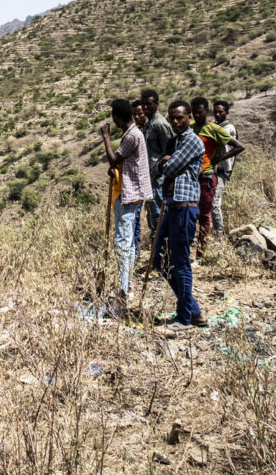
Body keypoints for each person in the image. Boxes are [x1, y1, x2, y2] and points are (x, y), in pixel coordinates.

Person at [153, 99, 207, 331]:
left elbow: (170, 168)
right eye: (172, 117)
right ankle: (193, 310)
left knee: (181, 262)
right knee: (158, 259)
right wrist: (164, 163)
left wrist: (165, 163)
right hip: (172, 204)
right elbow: (156, 170)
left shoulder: (192, 141)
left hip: (184, 205)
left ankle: (185, 317)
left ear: (188, 119)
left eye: (180, 118)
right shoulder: (175, 141)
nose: (175, 122)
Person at [100, 99, 153, 306]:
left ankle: (124, 289)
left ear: (116, 117)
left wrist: (105, 137)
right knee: (129, 242)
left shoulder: (131, 135)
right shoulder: (133, 133)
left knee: (123, 243)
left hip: (129, 195)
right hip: (132, 193)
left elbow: (114, 159)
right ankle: (127, 284)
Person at [190, 97, 245, 256]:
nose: (196, 115)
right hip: (191, 176)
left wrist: (218, 159)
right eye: (194, 113)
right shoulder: (190, 127)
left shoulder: (214, 128)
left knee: (206, 212)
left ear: (206, 111)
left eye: (199, 112)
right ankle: (192, 242)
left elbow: (238, 146)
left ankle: (203, 250)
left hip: (208, 174)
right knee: (191, 211)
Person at [140, 89, 173, 240]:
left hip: (158, 178)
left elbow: (169, 151)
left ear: (157, 104)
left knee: (160, 214)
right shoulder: (149, 124)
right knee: (153, 214)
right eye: (143, 104)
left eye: (149, 104)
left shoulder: (160, 124)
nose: (145, 107)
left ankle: (162, 250)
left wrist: (160, 170)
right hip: (150, 177)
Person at [211, 100, 238, 236]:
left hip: (222, 169)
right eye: (215, 111)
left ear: (226, 112)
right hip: (214, 169)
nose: (217, 114)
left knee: (215, 202)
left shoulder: (228, 128)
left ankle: (219, 234)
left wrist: (220, 159)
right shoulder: (218, 125)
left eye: (220, 112)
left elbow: (220, 139)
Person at [130, 99, 147, 255]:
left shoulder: (154, 128)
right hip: (139, 179)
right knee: (136, 217)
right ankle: (136, 250)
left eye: (140, 113)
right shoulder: (139, 130)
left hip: (149, 179)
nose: (137, 117)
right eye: (134, 114)